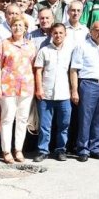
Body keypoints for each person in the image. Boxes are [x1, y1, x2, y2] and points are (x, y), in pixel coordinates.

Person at [69, 21, 99, 161]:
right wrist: (74, 90)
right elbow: (74, 70)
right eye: (97, 30)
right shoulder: (82, 46)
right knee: (85, 118)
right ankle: (82, 149)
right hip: (88, 84)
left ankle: (96, 148)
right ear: (91, 31)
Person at [0, 16, 37, 164]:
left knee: (22, 119)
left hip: (26, 87)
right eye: (15, 25)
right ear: (10, 27)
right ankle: (6, 150)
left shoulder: (31, 45)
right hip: (7, 86)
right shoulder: (4, 44)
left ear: (25, 28)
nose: (17, 28)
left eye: (20, 25)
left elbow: (34, 66)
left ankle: (18, 149)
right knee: (7, 118)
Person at [34, 23, 73, 162]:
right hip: (46, 94)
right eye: (55, 33)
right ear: (51, 34)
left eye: (61, 33)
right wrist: (39, 89)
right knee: (45, 125)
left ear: (65, 34)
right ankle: (43, 150)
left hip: (64, 94)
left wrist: (73, 90)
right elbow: (38, 71)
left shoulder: (70, 51)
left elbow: (72, 72)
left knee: (64, 124)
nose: (58, 35)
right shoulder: (44, 51)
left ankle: (61, 150)